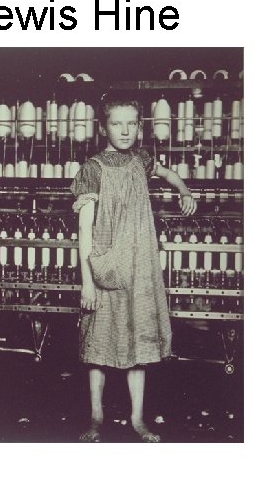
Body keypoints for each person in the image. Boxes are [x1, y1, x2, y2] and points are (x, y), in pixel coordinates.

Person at [71, 96, 197, 442]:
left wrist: (185, 190)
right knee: (98, 348)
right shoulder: (93, 169)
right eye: (116, 124)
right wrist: (88, 283)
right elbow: (84, 231)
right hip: (105, 269)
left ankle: (137, 420)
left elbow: (167, 172)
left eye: (131, 124)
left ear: (140, 127)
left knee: (138, 347)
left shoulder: (141, 160)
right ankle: (96, 419)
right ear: (103, 127)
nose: (124, 131)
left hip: (139, 270)